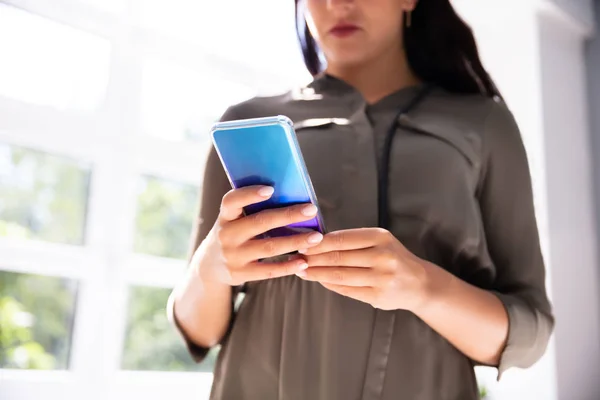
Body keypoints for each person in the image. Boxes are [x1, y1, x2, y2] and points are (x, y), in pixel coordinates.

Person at [167, 0, 555, 399]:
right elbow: (198, 330)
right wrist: (210, 269)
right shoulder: (247, 123)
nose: (338, 4)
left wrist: (424, 287)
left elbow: (530, 332)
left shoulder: (485, 125)